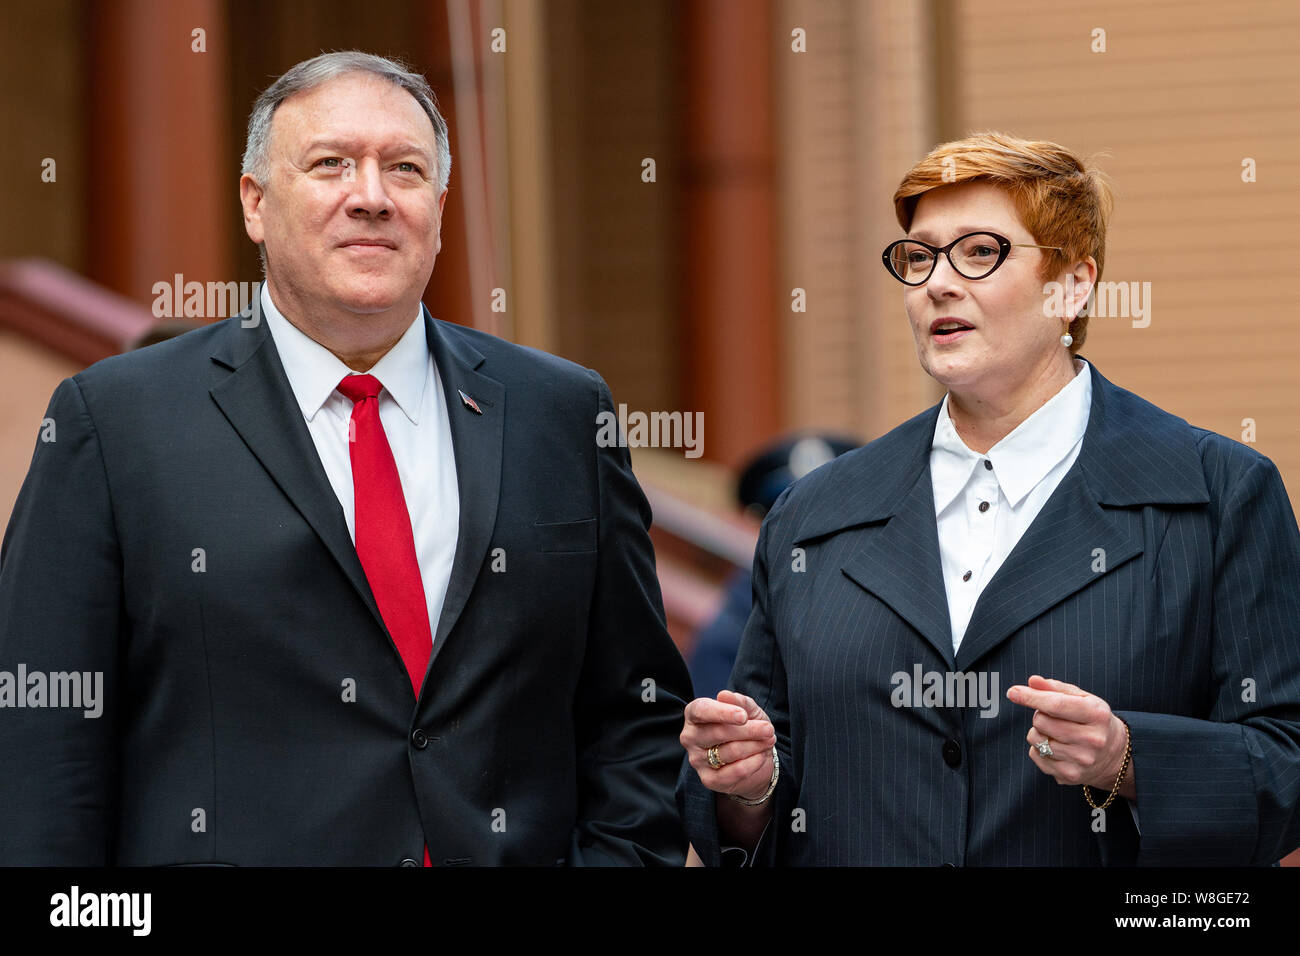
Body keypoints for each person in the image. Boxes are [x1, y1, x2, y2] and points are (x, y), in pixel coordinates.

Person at [0, 51, 690, 866]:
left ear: (437, 205)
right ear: (255, 204)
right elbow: (46, 743)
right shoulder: (116, 421)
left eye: (404, 169)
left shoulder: (561, 413)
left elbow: (635, 711)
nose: (370, 196)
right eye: (331, 165)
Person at [677, 131, 1300, 866]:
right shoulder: (814, 514)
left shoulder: (1217, 493)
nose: (938, 282)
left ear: (1072, 285)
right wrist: (746, 786)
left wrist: (1127, 760)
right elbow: (763, 798)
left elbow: (1284, 769)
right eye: (918, 257)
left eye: (980, 252)